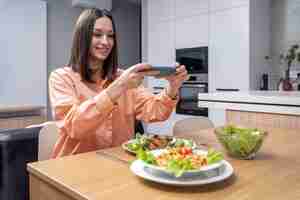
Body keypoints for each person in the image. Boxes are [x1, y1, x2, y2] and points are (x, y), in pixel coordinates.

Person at [48, 8, 188, 158]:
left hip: (118, 162)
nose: (105, 42)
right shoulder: (61, 78)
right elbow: (74, 127)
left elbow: (155, 111)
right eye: (97, 34)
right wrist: (119, 86)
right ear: (82, 37)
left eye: (110, 36)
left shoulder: (124, 77)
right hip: (73, 166)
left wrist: (172, 87)